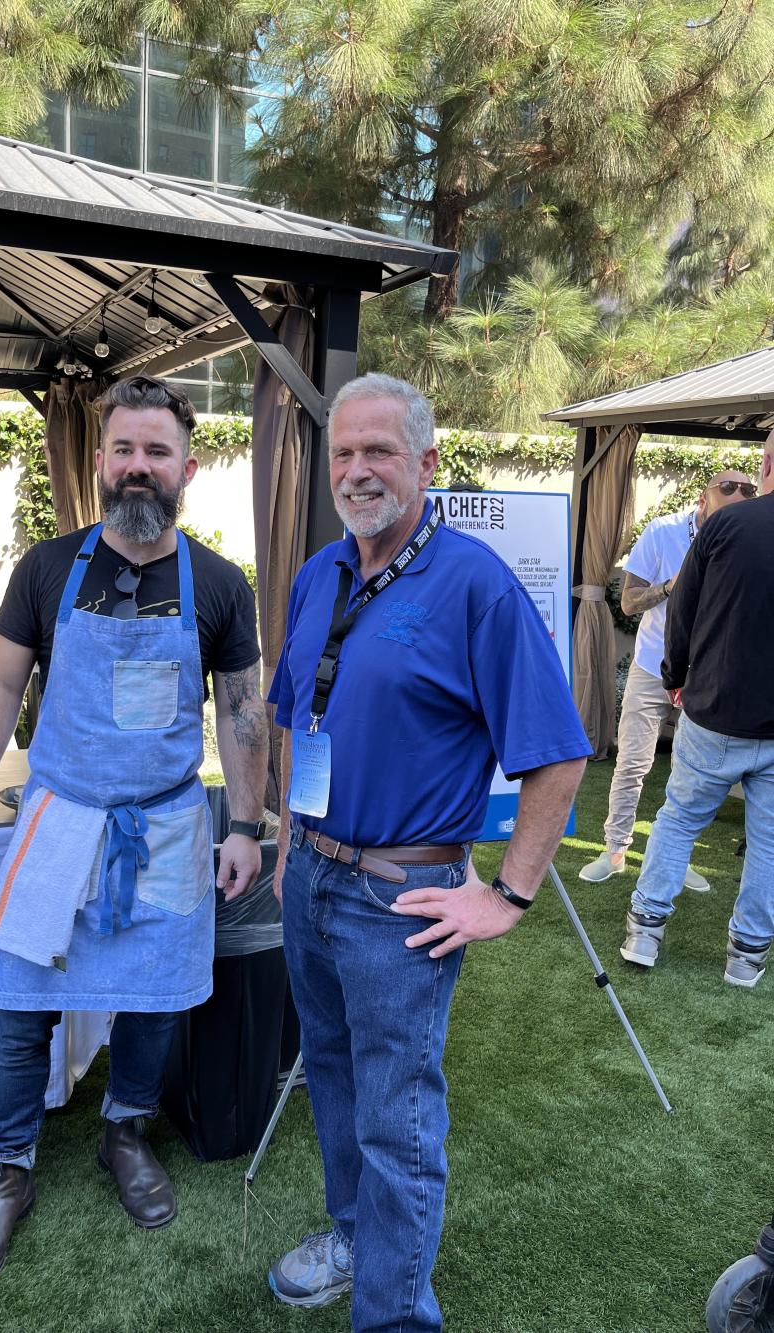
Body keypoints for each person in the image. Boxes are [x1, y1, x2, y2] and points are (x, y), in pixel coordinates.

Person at [265, 373, 591, 1332]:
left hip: (404, 896)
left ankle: (396, 1315)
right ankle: (356, 1237)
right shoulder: (320, 572)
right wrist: (293, 842)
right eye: (344, 454)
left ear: (427, 464)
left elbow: (560, 755)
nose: (358, 471)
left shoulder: (474, 582)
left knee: (397, 1120)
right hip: (313, 878)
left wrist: (510, 897)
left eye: (380, 452)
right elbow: (295, 716)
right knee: (329, 1071)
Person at [0, 375, 269, 1292]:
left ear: (187, 468)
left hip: (166, 825)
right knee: (21, 1010)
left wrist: (245, 822)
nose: (138, 467)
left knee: (155, 1000)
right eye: (123, 449)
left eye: (156, 451)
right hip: (58, 822)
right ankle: (6, 1172)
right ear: (99, 461)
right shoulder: (46, 569)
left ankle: (123, 1132)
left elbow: (243, 708)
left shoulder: (218, 583)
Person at [621, 438, 774, 987]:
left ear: (766, 464)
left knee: (680, 817)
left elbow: (682, 612)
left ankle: (645, 929)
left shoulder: (722, 527)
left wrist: (676, 678)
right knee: (771, 841)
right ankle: (746, 956)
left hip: (713, 709)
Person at [579, 470, 756, 888]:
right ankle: (615, 850)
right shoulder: (664, 532)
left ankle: (677, 857)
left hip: (707, 673)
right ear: (702, 497)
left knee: (691, 775)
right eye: (727, 486)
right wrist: (673, 586)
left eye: (748, 488)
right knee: (632, 762)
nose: (740, 493)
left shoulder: (747, 536)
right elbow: (627, 601)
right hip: (653, 665)